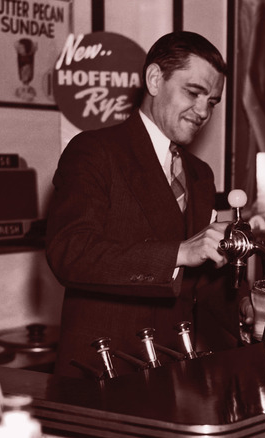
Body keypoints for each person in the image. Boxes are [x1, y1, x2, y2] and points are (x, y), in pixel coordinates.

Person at [46, 31, 234, 378]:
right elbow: (70, 252)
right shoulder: (94, 151)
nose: (203, 110)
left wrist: (249, 312)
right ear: (154, 79)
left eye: (212, 101)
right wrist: (179, 252)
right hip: (107, 375)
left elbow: (202, 292)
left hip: (180, 376)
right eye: (193, 92)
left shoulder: (200, 174)